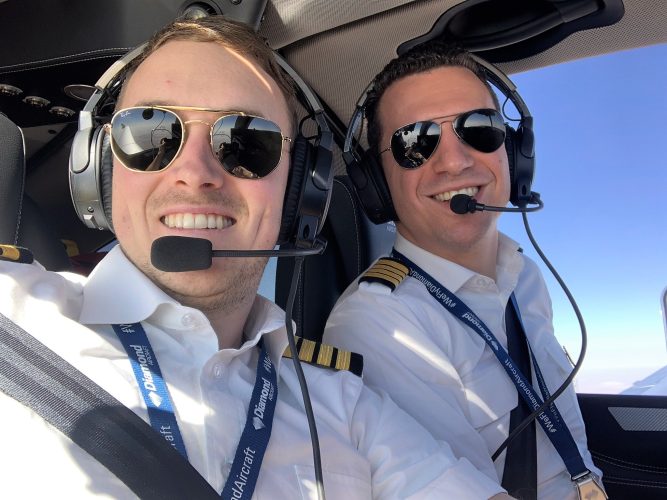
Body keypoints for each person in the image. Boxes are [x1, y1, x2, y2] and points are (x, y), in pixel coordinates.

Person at [0, 17, 513, 499]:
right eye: (150, 132)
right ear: (101, 165)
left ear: (301, 189)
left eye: (246, 141)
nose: (194, 172)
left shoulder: (342, 402)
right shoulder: (13, 316)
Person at [324, 41, 604, 499]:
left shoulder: (524, 277)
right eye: (416, 142)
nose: (455, 161)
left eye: (479, 129)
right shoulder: (378, 323)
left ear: (512, 152)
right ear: (375, 182)